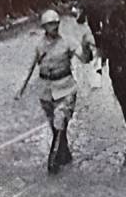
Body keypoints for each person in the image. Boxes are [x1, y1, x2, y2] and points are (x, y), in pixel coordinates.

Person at [15, 9, 95, 174]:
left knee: (60, 122)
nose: (54, 27)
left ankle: (53, 162)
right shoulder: (40, 45)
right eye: (50, 24)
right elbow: (30, 68)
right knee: (55, 126)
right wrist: (21, 89)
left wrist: (86, 47)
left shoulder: (68, 42)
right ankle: (64, 153)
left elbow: (85, 59)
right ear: (44, 27)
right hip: (46, 90)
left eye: (56, 23)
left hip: (66, 88)